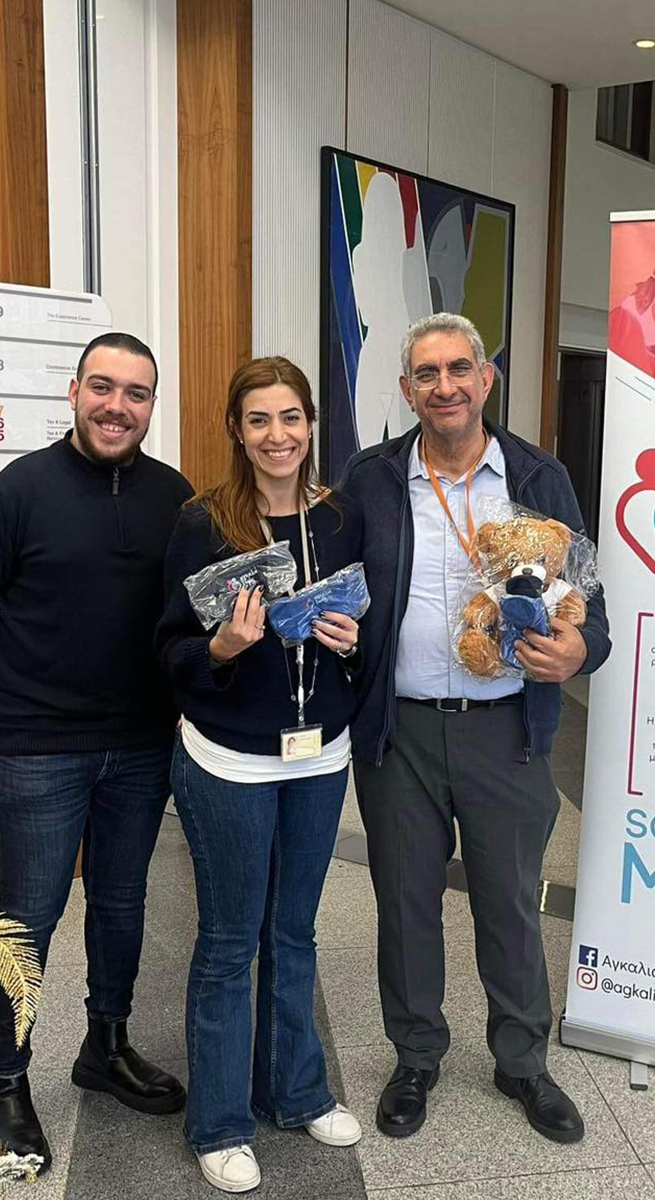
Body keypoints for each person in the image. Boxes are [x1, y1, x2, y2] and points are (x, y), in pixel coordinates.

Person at [341, 313, 611, 1145]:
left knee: (510, 905)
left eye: (460, 368)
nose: (445, 386)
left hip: (507, 732)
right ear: (406, 389)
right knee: (405, 903)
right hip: (401, 733)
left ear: (485, 379)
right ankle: (416, 1055)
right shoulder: (371, 478)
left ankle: (522, 1062)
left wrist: (581, 651)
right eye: (427, 374)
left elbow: (589, 598)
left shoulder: (538, 476)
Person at [156, 357, 363, 1194]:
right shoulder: (203, 523)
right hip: (230, 761)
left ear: (311, 424)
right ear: (237, 433)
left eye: (291, 417)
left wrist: (351, 644)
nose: (278, 435)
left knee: (294, 933)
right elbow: (168, 650)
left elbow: (367, 629)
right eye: (259, 420)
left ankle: (296, 1090)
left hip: (320, 755)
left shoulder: (339, 518)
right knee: (229, 942)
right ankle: (219, 1121)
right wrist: (221, 647)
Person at [0, 332, 192, 1174]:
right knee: (24, 921)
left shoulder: (175, 497)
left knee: (120, 906)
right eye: (103, 388)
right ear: (74, 392)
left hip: (141, 746)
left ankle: (104, 1046)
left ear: (152, 404)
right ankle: (6, 1077)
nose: (118, 406)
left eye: (136, 393)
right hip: (35, 747)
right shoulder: (20, 490)